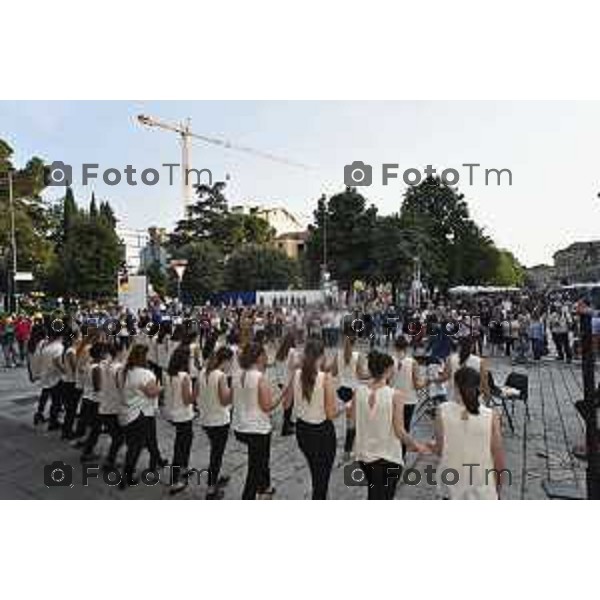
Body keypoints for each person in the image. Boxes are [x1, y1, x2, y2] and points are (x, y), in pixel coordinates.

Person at [350, 350, 430, 500]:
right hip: (387, 456)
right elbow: (400, 430)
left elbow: (352, 421)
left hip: (364, 455)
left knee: (373, 493)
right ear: (387, 370)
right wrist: (416, 446)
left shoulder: (358, 391)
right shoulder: (395, 395)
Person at [433, 366, 507, 499]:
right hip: (481, 485)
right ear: (478, 387)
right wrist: (498, 488)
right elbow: (498, 458)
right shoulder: (490, 416)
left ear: (454, 385)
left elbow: (440, 450)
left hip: (450, 483)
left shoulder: (442, 410)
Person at [283, 338, 340, 499]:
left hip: (302, 431)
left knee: (316, 472)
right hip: (322, 434)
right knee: (322, 479)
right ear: (321, 356)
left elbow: (286, 405)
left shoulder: (296, 374)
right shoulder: (325, 378)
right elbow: (330, 414)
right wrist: (344, 408)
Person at [232, 342, 282, 499]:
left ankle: (264, 487)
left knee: (261, 460)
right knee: (255, 468)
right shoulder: (259, 378)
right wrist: (283, 395)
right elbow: (267, 406)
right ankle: (248, 497)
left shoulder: (237, 374)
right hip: (257, 429)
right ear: (259, 357)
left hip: (240, 426)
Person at [117, 344, 162, 488]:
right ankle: (127, 477)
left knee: (139, 443)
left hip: (126, 413)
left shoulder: (123, 371)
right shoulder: (146, 374)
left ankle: (156, 460)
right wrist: (160, 388)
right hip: (140, 414)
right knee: (135, 448)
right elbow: (152, 392)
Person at [198, 346, 234, 499]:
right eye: (230, 362)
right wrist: (234, 390)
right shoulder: (220, 376)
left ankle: (214, 478)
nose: (231, 365)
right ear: (225, 361)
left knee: (215, 451)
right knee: (216, 454)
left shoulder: (203, 372)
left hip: (206, 418)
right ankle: (211, 488)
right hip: (219, 420)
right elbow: (225, 400)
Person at [163, 344, 198, 495]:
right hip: (183, 415)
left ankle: (183, 468)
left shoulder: (168, 374)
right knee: (181, 445)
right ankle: (174, 480)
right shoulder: (184, 377)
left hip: (172, 412)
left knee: (185, 440)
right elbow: (187, 399)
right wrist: (196, 392)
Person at [332, 336, 364, 461]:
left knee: (348, 421)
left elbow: (333, 373)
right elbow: (361, 375)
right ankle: (348, 450)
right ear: (355, 342)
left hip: (341, 390)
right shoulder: (357, 356)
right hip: (353, 391)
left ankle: (348, 450)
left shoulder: (338, 354)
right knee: (352, 423)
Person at [272, 331, 299, 436]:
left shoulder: (280, 351)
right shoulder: (292, 351)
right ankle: (285, 427)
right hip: (289, 380)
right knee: (289, 403)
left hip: (281, 380)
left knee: (288, 402)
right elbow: (294, 365)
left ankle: (289, 422)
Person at [38, 328, 65, 430]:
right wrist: (65, 371)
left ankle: (44, 415)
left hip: (46, 375)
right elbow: (57, 362)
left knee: (49, 397)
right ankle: (53, 422)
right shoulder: (59, 347)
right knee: (56, 402)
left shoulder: (46, 347)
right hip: (55, 378)